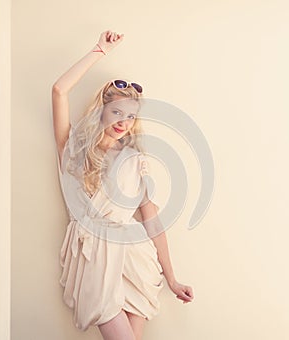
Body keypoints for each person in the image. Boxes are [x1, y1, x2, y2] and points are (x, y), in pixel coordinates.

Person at [52, 30, 194, 340]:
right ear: (100, 110)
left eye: (130, 116)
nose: (123, 122)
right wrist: (99, 50)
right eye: (117, 112)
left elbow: (151, 219)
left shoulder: (133, 158)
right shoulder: (72, 149)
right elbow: (59, 91)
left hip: (135, 254)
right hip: (94, 254)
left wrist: (172, 278)